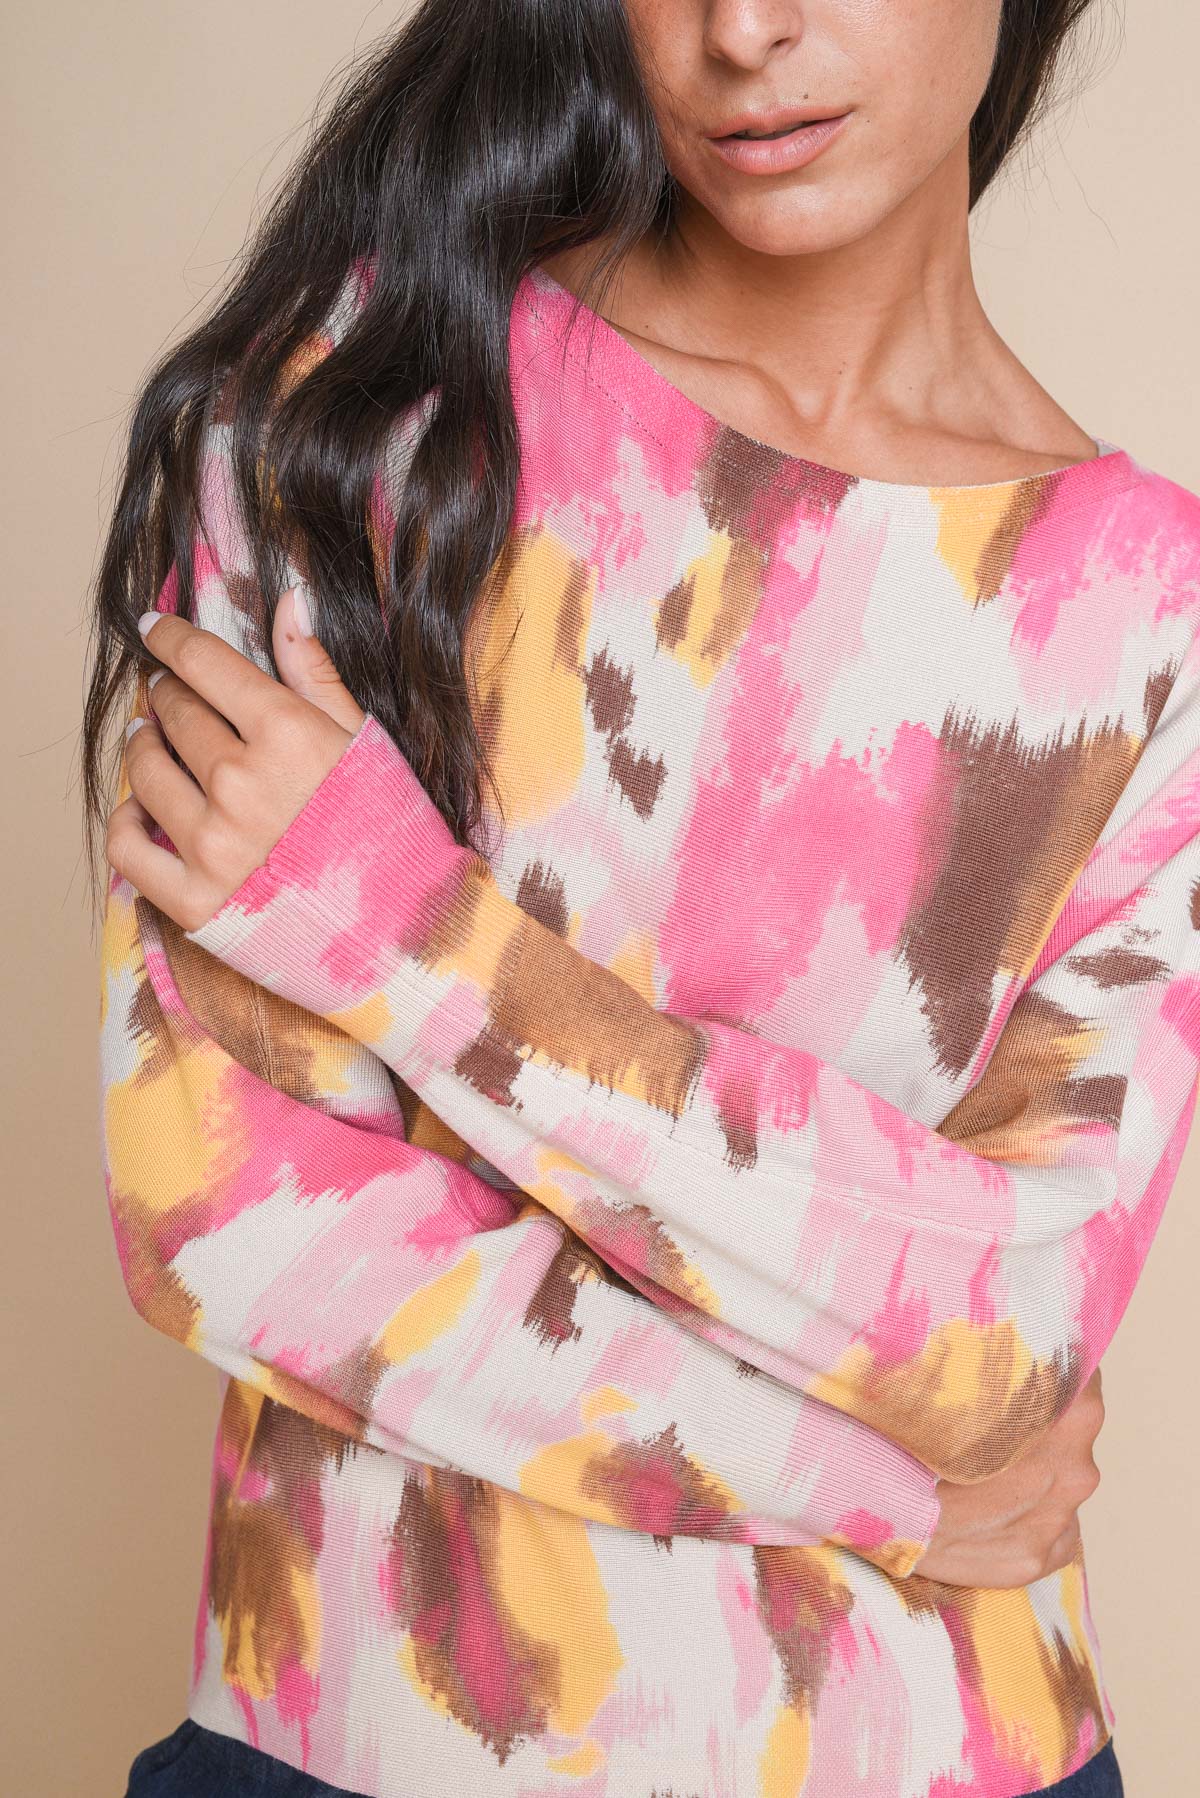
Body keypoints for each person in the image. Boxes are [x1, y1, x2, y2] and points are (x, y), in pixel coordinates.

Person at [83, 2, 1199, 1794]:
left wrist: (404, 935)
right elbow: (225, 1218)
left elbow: (1013, 1319)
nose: (743, 29)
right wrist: (888, 1486)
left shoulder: (1154, 616)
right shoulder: (367, 409)